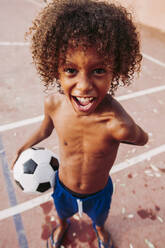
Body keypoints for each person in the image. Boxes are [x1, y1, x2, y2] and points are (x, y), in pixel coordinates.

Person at [12, 0, 148, 247]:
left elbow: (142, 138)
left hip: (99, 191)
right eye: (70, 70)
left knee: (99, 218)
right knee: (62, 213)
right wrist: (24, 146)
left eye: (98, 71)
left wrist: (128, 125)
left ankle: (100, 229)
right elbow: (45, 129)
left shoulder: (115, 123)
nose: (84, 86)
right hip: (63, 186)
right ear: (55, 69)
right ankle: (63, 225)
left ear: (115, 70)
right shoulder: (54, 105)